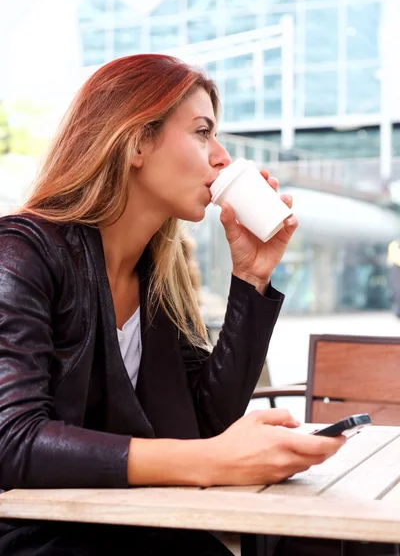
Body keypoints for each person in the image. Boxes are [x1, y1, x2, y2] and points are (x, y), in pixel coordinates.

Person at [0, 54, 345, 555]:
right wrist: (211, 461)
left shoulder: (159, 275)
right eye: (203, 132)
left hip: (139, 528)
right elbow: (12, 441)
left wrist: (251, 278)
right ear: (137, 141)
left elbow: (203, 422)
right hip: (41, 539)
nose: (222, 157)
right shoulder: (22, 253)